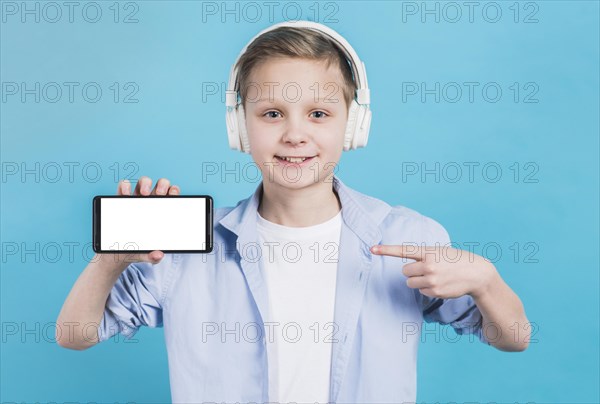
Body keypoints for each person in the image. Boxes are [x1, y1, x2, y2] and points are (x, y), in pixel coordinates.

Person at [56, 20, 530, 403]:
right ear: (238, 127)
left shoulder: (407, 236)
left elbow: (513, 338)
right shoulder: (187, 250)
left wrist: (487, 282)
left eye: (319, 114)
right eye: (272, 113)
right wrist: (111, 260)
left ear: (354, 124)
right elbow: (74, 335)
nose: (295, 135)